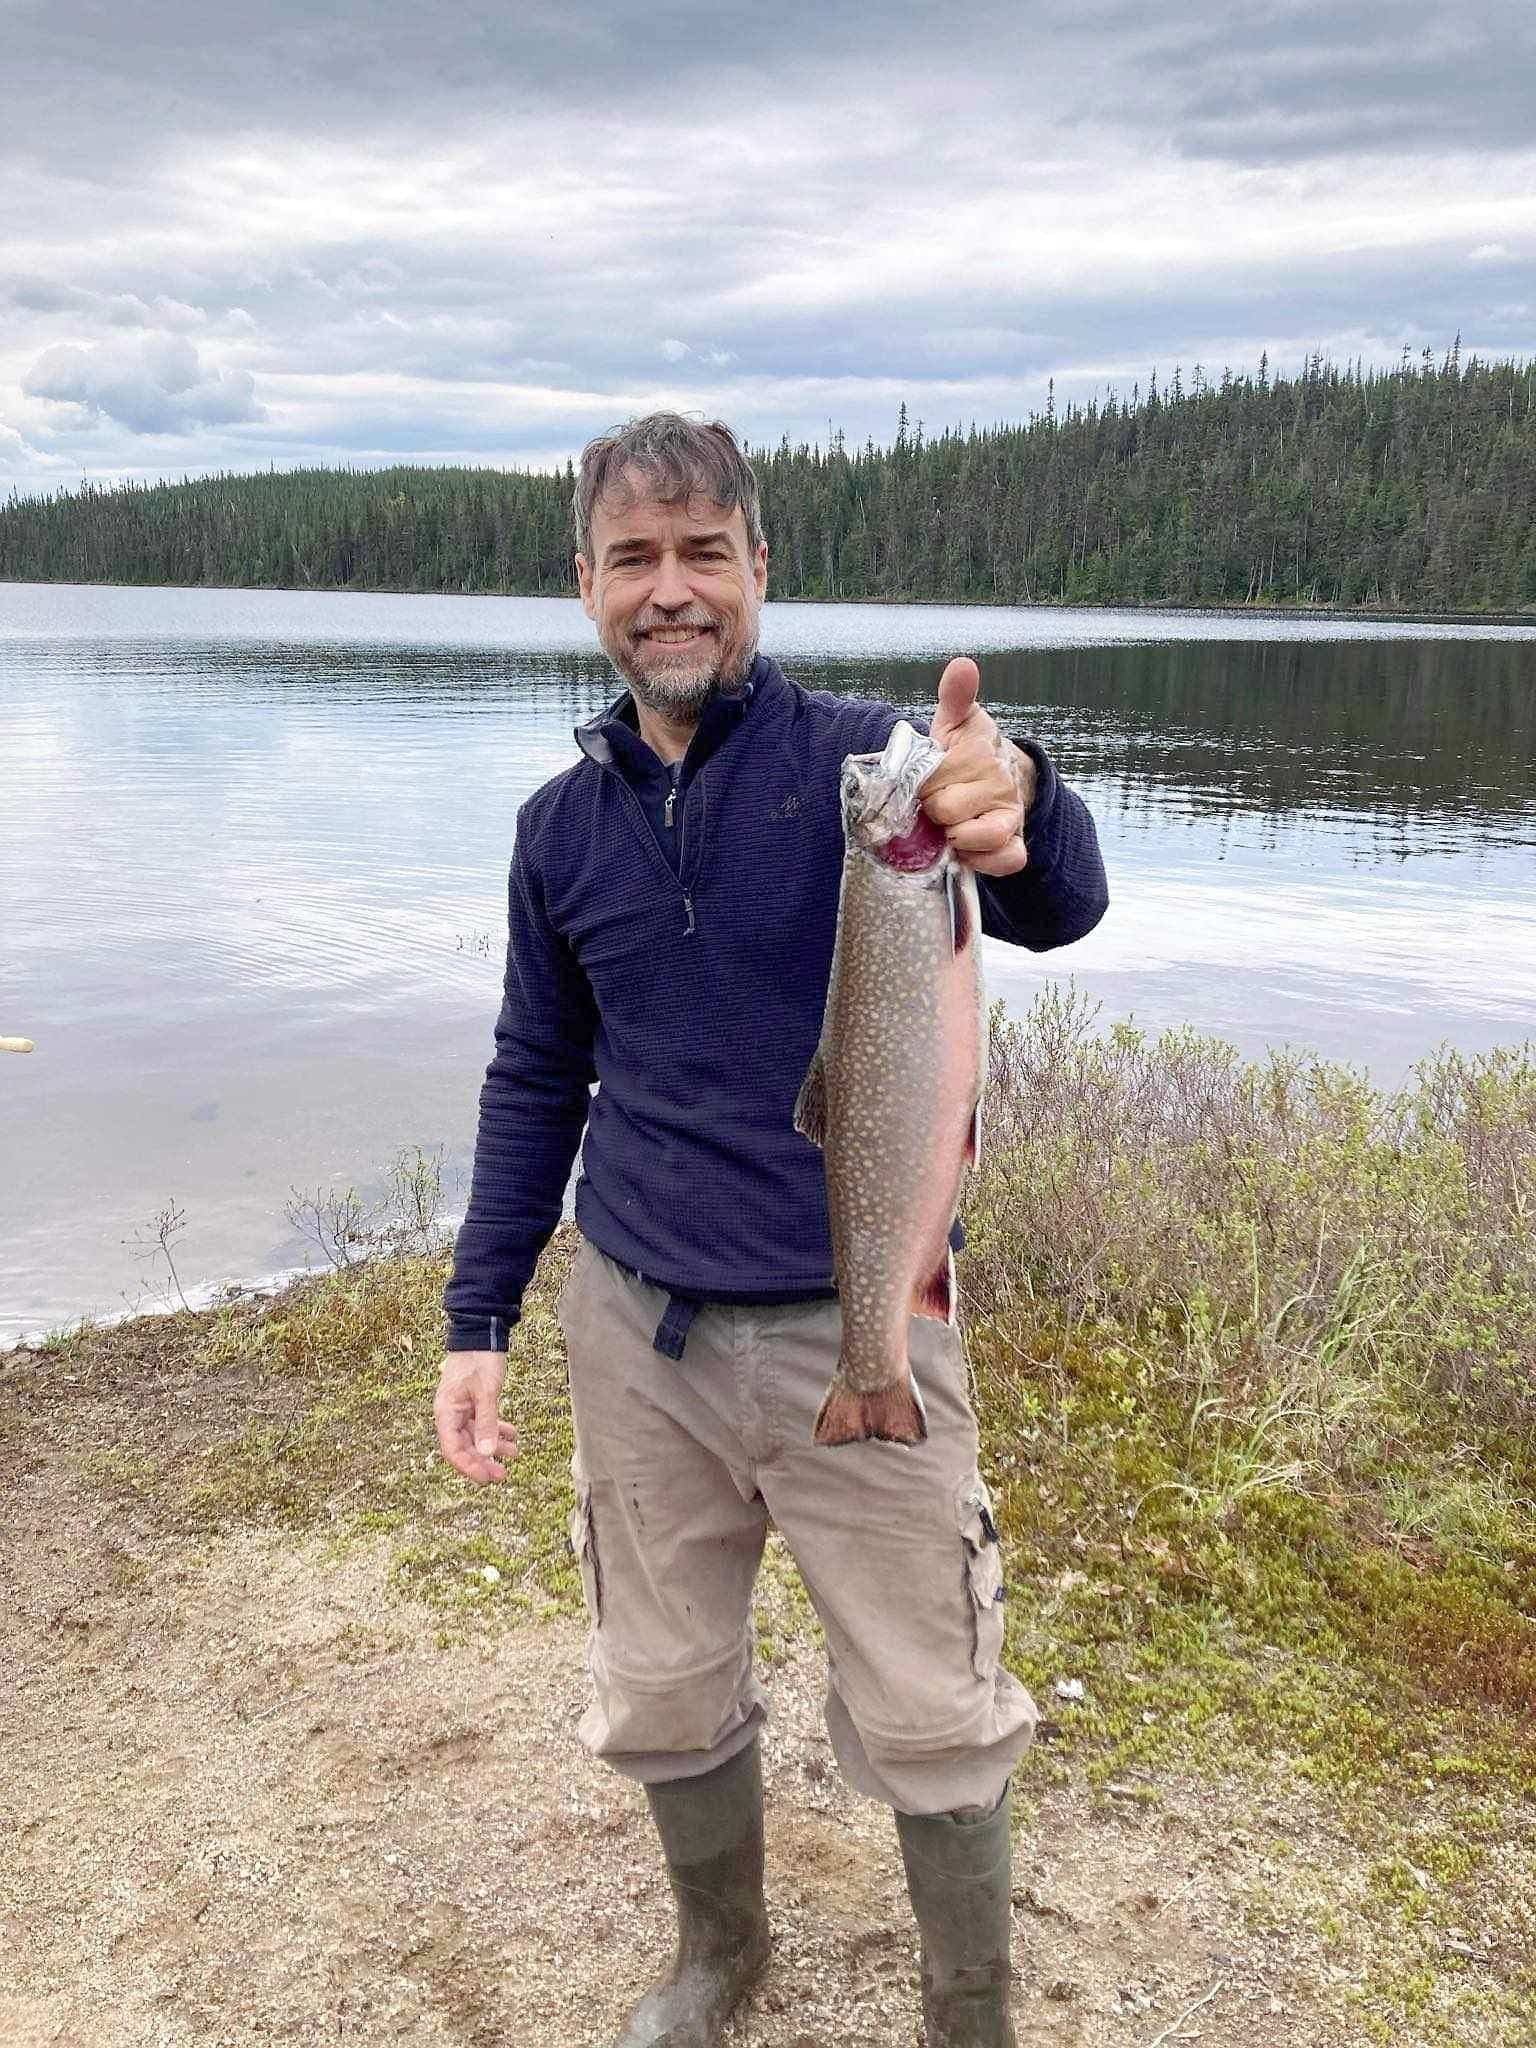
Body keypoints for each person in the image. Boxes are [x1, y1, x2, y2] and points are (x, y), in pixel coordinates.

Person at [435, 413, 1108, 2048]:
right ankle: (722, 1955)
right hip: (639, 1327)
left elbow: (1051, 891)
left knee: (936, 1703)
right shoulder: (558, 826)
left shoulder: (872, 774)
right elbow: (538, 1074)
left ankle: (972, 2014)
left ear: (759, 569)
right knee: (661, 1684)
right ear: (586, 583)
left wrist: (1012, 795)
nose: (673, 593)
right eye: (636, 561)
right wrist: (478, 1320)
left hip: (856, 1313)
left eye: (704, 556)